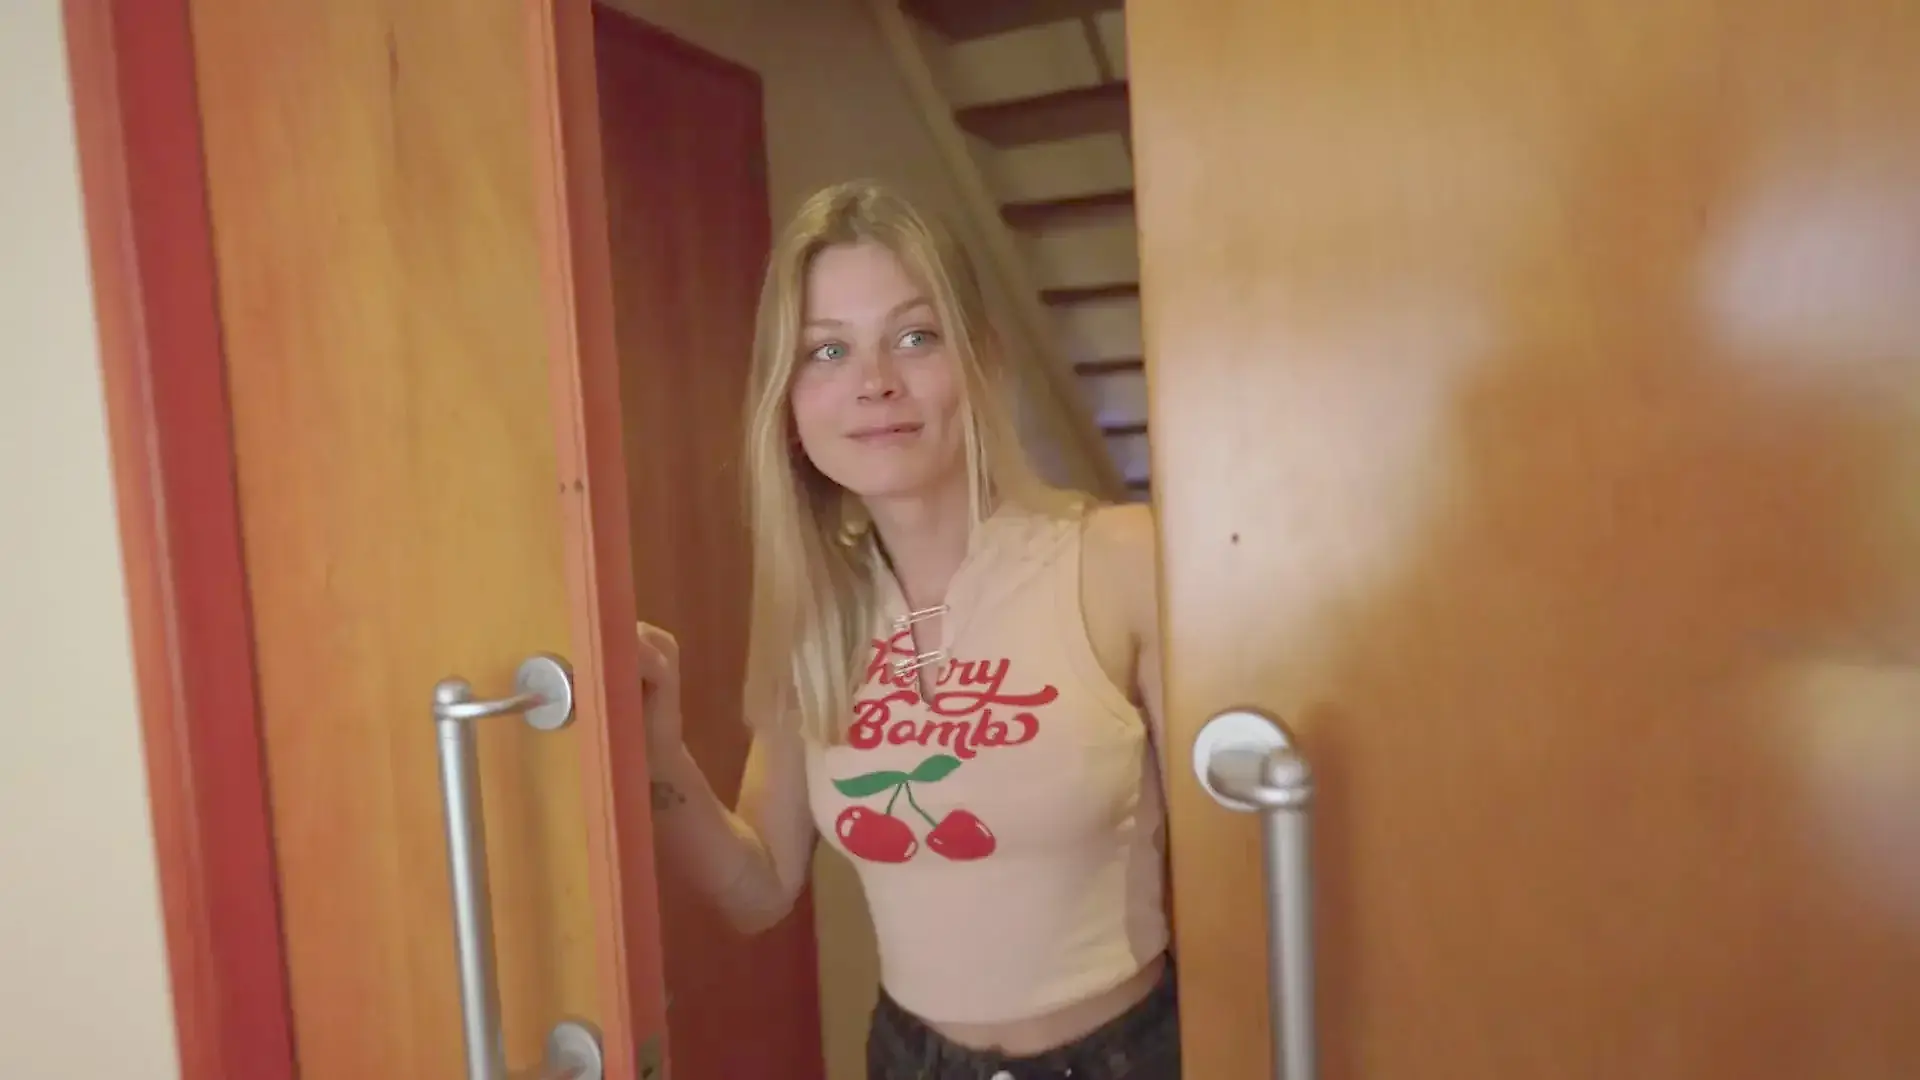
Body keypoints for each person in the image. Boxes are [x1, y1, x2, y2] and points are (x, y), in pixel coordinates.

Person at [636, 179, 1176, 1080]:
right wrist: (657, 753)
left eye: (915, 337)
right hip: (908, 1062)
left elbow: (1244, 864)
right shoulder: (817, 615)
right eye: (827, 351)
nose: (875, 382)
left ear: (982, 359)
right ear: (789, 405)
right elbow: (760, 890)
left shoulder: (1119, 559)